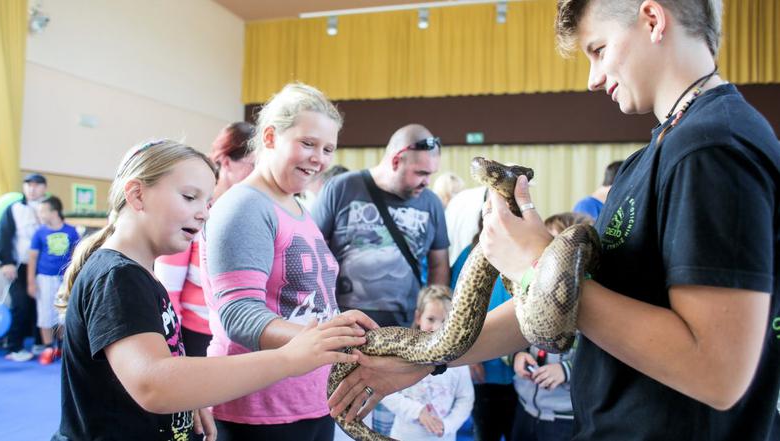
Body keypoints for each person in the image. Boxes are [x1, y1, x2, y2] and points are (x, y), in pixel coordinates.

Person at [328, 1, 780, 440]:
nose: (592, 78)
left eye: (598, 49)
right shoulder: (656, 154)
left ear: (652, 19)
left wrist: (535, 262)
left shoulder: (711, 149)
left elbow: (717, 372)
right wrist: (428, 357)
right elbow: (570, 302)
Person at [53, 139, 366, 441]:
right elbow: (152, 384)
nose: (204, 213)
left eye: (207, 202)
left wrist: (189, 395)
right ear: (137, 195)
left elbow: (163, 369)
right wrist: (288, 359)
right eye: (190, 197)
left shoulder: (140, 274)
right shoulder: (117, 278)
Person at [201, 83, 377, 441]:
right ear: (270, 137)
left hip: (310, 398)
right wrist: (332, 340)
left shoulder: (295, 206)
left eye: (328, 149)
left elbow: (304, 304)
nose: (319, 159)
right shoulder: (245, 206)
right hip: (258, 407)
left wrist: (339, 331)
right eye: (308, 143)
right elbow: (239, 315)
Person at [312, 124, 450, 328]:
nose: (427, 182)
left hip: (405, 327)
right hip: (342, 323)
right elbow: (313, 252)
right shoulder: (341, 188)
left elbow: (438, 265)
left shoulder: (431, 203)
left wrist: (431, 316)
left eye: (431, 174)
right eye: (421, 173)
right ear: (396, 161)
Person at [154, 121, 256, 358]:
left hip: (242, 336)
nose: (258, 173)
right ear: (226, 162)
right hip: (196, 337)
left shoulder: (254, 214)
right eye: (252, 165)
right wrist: (173, 347)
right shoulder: (195, 212)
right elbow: (169, 291)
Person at [510, 212, 593, 441]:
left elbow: (599, 360)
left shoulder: (590, 304)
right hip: (525, 406)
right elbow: (513, 334)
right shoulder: (532, 293)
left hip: (565, 417)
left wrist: (566, 370)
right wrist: (517, 355)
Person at [450, 213, 516, 441]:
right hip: (482, 366)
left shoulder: (523, 255)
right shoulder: (469, 255)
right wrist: (469, 357)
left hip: (520, 372)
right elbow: (454, 309)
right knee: (485, 431)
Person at [381, 285, 474, 441]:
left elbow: (466, 398)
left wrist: (448, 425)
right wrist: (417, 411)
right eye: (431, 319)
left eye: (445, 321)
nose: (436, 327)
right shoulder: (403, 352)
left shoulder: (458, 361)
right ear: (418, 317)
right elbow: (385, 392)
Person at [0, 173, 47, 361]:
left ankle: (41, 344)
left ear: (44, 188)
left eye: (37, 185)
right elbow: (2, 236)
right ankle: (14, 347)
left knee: (42, 305)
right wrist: (6, 262)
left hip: (43, 267)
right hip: (18, 266)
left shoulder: (48, 208)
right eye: (29, 185)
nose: (32, 189)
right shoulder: (14, 209)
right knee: (21, 304)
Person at [26, 196, 79, 364]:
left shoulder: (71, 231)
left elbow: (76, 256)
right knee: (45, 312)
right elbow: (32, 258)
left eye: (43, 211)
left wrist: (75, 277)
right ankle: (48, 347)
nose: (40, 215)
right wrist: (31, 282)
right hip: (45, 277)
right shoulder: (39, 233)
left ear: (54, 212)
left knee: (63, 312)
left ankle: (62, 345)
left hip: (64, 278)